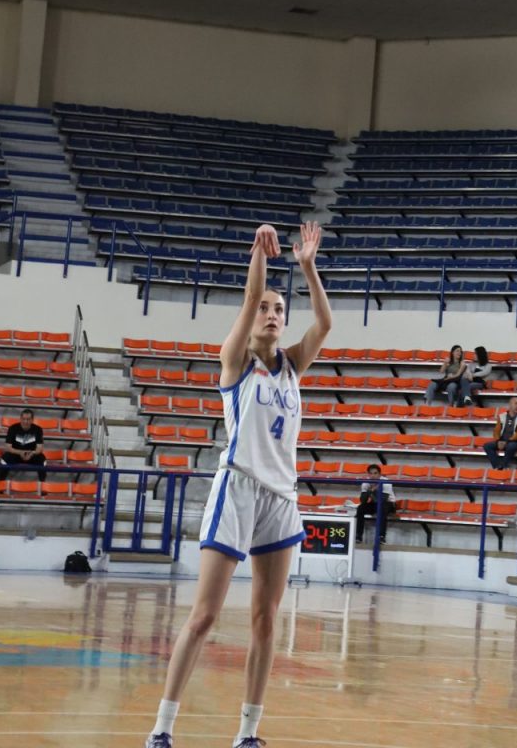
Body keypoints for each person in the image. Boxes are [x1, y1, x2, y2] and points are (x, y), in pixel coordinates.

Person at [145, 221, 332, 748]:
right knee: (204, 616)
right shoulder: (235, 363)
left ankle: (248, 733)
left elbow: (324, 323)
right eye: (265, 309)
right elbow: (251, 296)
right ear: (251, 322)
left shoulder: (293, 366)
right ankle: (162, 728)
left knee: (266, 619)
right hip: (238, 488)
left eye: (279, 310)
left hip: (281, 497)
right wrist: (259, 253)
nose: (272, 314)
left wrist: (308, 267)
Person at [1, 408, 47, 484]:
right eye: (23, 419)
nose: (25, 421)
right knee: (5, 458)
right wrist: (20, 452)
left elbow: (39, 448)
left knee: (42, 459)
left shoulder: (38, 429)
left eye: (28, 419)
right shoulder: (12, 428)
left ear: (32, 420)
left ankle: (43, 485)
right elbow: (8, 447)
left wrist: (32, 453)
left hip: (31, 455)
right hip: (16, 454)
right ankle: (1, 483)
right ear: (20, 419)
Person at [355, 464, 395, 546]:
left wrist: (373, 490)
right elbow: (363, 500)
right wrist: (370, 490)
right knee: (361, 508)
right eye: (371, 473)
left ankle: (381, 537)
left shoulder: (386, 482)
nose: (373, 476)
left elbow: (383, 499)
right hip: (375, 503)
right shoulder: (366, 483)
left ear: (380, 474)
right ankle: (358, 536)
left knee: (382, 508)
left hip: (388, 503)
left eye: (375, 473)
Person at [483, 396, 517, 467]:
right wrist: (498, 441)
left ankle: (504, 465)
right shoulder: (501, 416)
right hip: (501, 440)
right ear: (510, 404)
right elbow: (496, 431)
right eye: (516, 404)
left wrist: (506, 442)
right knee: (487, 446)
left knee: (511, 446)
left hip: (515, 441)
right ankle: (497, 466)